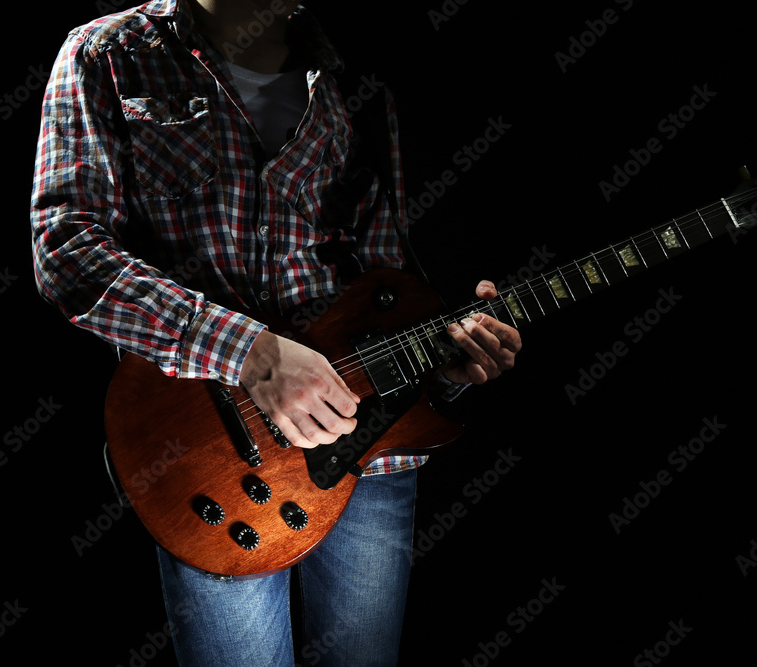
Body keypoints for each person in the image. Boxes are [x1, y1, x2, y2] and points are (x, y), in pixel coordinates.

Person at [30, 1, 520, 664]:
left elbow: (386, 274)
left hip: (372, 453)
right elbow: (66, 249)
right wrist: (252, 354)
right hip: (214, 455)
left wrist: (446, 365)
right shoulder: (105, 54)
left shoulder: (357, 75)